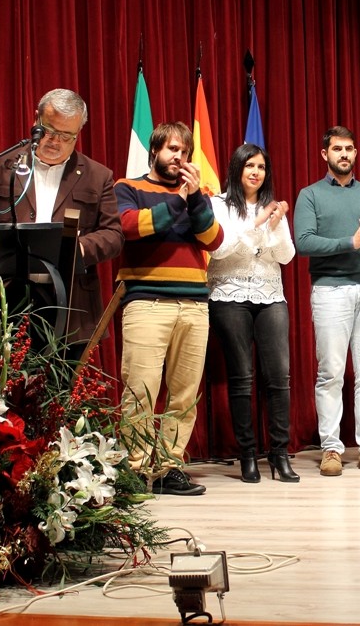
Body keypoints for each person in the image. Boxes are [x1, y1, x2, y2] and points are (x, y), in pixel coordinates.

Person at [0, 88, 123, 356]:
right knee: (7, 392)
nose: (55, 141)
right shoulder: (1, 168)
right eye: (49, 130)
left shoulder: (97, 176)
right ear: (36, 120)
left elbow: (113, 234)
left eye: (66, 136)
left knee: (62, 393)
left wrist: (80, 248)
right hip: (8, 299)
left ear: (78, 134)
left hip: (72, 303)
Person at [114, 121, 225, 495]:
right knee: (140, 390)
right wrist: (178, 198)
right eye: (171, 149)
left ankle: (168, 467)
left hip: (194, 305)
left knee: (183, 394)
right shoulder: (129, 188)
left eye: (183, 151)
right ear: (155, 150)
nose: (178, 156)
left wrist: (194, 199)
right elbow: (130, 227)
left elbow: (213, 240)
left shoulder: (197, 196)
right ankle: (135, 469)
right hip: (147, 302)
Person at [293, 125, 360, 476]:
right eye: (337, 149)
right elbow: (304, 243)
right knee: (331, 373)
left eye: (349, 149)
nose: (344, 154)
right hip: (330, 290)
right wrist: (350, 242)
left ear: (356, 153)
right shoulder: (310, 195)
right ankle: (331, 449)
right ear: (325, 154)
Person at [208, 143, 299, 484]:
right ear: (237, 169)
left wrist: (273, 225)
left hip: (270, 294)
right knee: (242, 377)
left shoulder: (271, 206)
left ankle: (279, 454)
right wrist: (254, 226)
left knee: (279, 377)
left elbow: (287, 256)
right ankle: (248, 456)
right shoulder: (218, 205)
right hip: (228, 294)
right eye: (250, 166)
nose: (256, 172)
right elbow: (218, 252)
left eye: (261, 167)